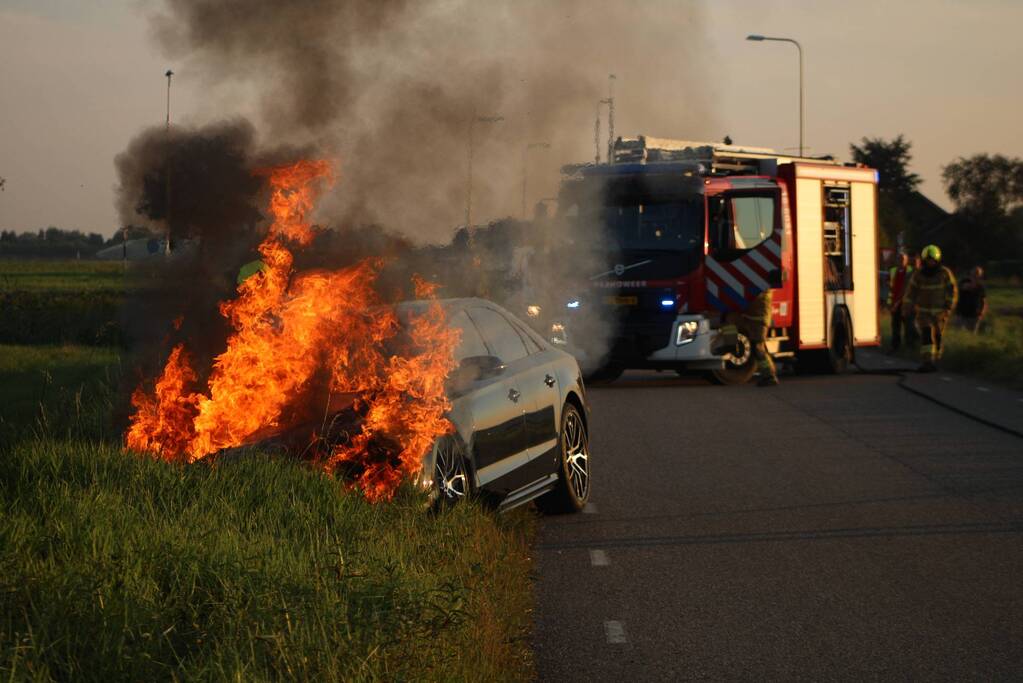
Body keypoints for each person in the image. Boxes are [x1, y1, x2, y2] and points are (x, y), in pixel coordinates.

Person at [903, 244, 958, 373]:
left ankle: (936, 358)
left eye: (932, 260)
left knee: (938, 336)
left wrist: (948, 307)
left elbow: (952, 291)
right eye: (928, 260)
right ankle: (927, 361)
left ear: (937, 260)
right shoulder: (918, 275)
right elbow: (911, 292)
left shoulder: (945, 273)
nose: (930, 263)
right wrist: (907, 307)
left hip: (940, 313)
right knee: (927, 335)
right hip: (923, 312)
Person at [739, 289, 778, 386]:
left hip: (759, 321)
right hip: (754, 319)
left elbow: (752, 298)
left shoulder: (762, 289)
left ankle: (769, 375)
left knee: (758, 348)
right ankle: (768, 375)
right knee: (757, 347)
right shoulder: (761, 286)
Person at [886, 252, 914, 350]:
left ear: (907, 261)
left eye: (903, 259)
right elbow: (889, 287)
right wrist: (890, 304)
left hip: (906, 304)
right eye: (899, 259)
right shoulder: (893, 271)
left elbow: (907, 289)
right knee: (895, 326)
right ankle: (895, 346)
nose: (901, 261)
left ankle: (910, 347)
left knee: (908, 326)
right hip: (894, 302)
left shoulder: (910, 271)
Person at [954, 265, 988, 333]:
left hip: (974, 316)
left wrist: (981, 313)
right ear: (970, 274)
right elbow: (965, 287)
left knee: (971, 336)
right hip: (961, 315)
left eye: (977, 275)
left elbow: (984, 301)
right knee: (959, 334)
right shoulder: (963, 281)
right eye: (974, 274)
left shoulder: (981, 286)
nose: (975, 276)